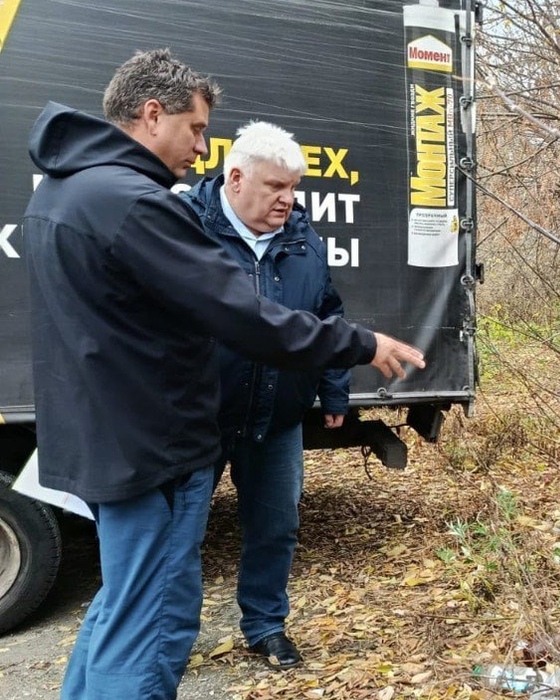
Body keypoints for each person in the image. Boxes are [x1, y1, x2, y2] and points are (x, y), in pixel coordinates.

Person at [22, 49, 425, 699]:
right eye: (196, 128)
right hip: (153, 449)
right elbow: (245, 317)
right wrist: (362, 344)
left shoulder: (67, 190)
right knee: (153, 624)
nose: (201, 147)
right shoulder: (135, 203)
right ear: (152, 114)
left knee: (122, 607)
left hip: (108, 440)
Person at [178, 121, 346, 670]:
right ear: (236, 178)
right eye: (275, 186)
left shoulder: (302, 240)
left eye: (293, 187)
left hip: (276, 418)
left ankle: (266, 626)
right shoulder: (184, 227)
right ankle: (170, 640)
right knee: (180, 536)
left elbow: (325, 314)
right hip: (197, 420)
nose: (287, 199)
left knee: (275, 528)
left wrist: (334, 391)